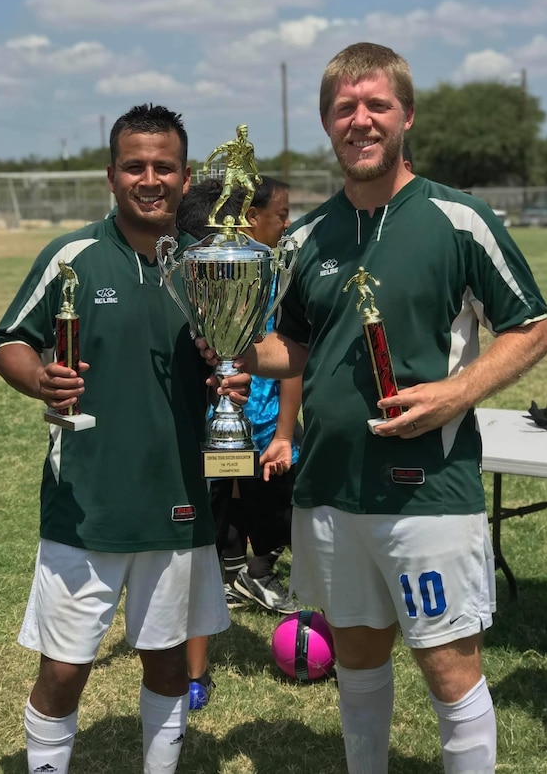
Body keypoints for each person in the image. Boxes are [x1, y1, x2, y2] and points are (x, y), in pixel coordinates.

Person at [198, 42, 547, 773]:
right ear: (328, 124)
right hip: (327, 491)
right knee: (357, 662)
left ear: (405, 116)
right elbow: (292, 349)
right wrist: (227, 343)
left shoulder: (458, 219)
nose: (359, 121)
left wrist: (455, 393)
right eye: (343, 109)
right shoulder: (301, 238)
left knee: (449, 673)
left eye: (374, 106)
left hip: (428, 490)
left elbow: (530, 328)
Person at [0, 103, 250, 774]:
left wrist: (230, 374)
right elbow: (10, 341)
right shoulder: (72, 255)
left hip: (178, 498)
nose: (150, 178)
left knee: (165, 659)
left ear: (186, 177)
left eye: (164, 166)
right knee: (65, 667)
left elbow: (237, 352)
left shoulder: (208, 266)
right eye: (135, 165)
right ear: (112, 175)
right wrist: (40, 376)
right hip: (87, 503)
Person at [177, 176, 301, 709]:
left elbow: (293, 357)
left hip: (261, 419)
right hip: (208, 424)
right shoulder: (194, 276)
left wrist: (284, 432)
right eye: (281, 213)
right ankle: (192, 665)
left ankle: (258, 572)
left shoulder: (270, 275)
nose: (289, 222)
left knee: (267, 505)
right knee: (206, 529)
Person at [202, 124, 262, 227]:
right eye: (243, 132)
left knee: (251, 190)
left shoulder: (249, 146)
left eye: (246, 132)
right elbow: (216, 151)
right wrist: (206, 165)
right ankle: (212, 216)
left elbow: (251, 161)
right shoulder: (231, 144)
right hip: (231, 170)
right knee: (226, 194)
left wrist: (256, 174)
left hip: (240, 170)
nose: (245, 134)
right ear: (238, 133)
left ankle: (242, 216)